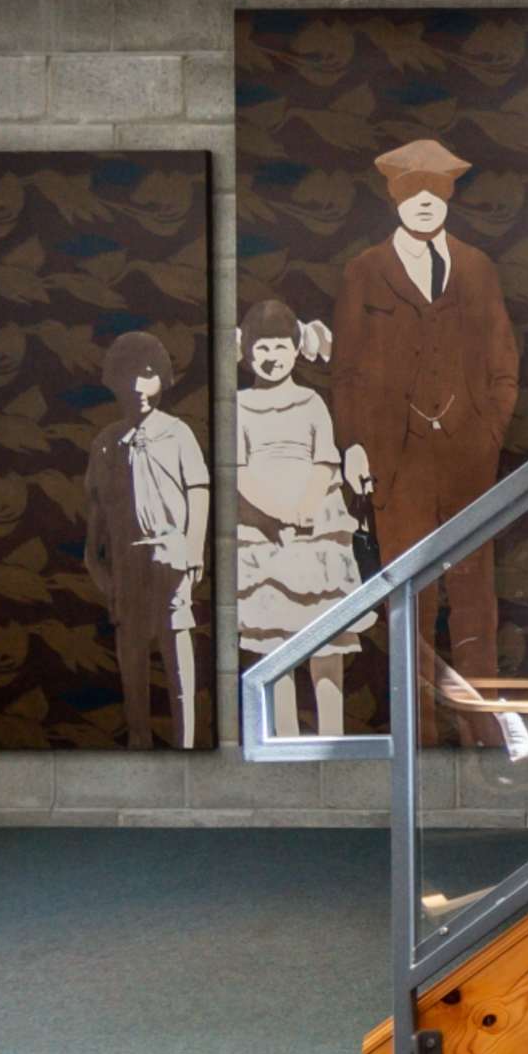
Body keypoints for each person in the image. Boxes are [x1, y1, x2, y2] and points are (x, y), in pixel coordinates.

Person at [320, 138, 522, 739]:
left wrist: (489, 429)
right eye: (414, 193)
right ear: (395, 200)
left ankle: (481, 728)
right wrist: (355, 445)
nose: (426, 203)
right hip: (394, 458)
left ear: (450, 199)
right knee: (411, 593)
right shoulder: (365, 270)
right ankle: (420, 731)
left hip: (467, 456)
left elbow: (502, 356)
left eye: (437, 192)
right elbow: (348, 368)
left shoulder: (476, 267)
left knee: (473, 592)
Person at [229, 298, 366, 737]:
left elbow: (326, 459)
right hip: (263, 536)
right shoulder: (239, 405)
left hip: (316, 535)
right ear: (247, 353)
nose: (271, 358)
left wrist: (305, 507)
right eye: (262, 349)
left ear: (296, 348)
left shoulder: (310, 402)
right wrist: (276, 511)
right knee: (277, 643)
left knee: (326, 643)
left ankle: (332, 739)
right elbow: (239, 470)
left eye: (280, 347)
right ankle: (285, 740)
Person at [80, 330, 210, 748]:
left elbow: (199, 490)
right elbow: (97, 511)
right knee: (132, 662)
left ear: (163, 379)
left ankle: (187, 742)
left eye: (148, 374)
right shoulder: (104, 444)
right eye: (127, 375)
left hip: (170, 557)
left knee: (177, 657)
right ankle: (140, 742)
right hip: (126, 565)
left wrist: (192, 550)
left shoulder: (178, 434)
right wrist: (97, 566)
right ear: (112, 380)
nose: (137, 386)